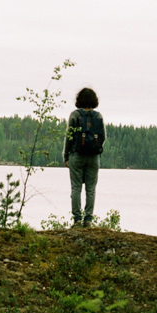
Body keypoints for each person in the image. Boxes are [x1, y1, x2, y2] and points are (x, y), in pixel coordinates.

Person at [63, 87, 106, 227]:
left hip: (77, 155)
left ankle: (77, 219)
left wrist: (66, 155)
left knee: (76, 188)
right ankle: (88, 220)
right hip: (94, 157)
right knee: (91, 189)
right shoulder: (98, 117)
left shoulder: (74, 115)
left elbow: (69, 137)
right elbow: (103, 137)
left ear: (79, 100)